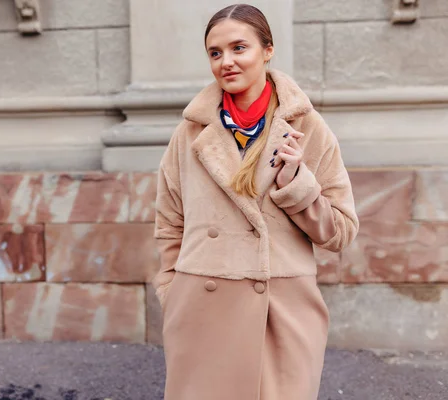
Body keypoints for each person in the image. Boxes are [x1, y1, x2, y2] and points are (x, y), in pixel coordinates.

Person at [152, 4, 359, 400]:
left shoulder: (307, 127)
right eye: (215, 52)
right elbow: (169, 222)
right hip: (202, 309)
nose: (226, 62)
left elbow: (342, 232)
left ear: (267, 50)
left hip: (281, 313)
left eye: (238, 48)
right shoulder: (191, 132)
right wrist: (172, 289)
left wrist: (297, 182)